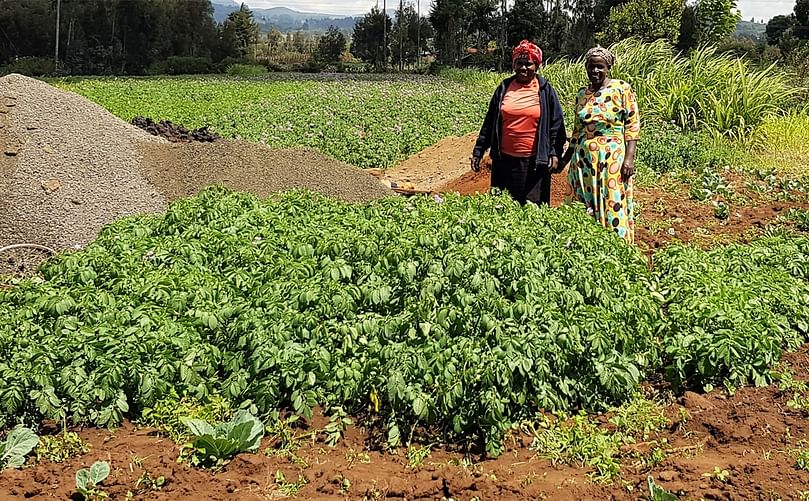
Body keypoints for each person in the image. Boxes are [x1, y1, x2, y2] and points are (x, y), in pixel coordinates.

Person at [471, 40, 566, 205]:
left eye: (528, 64)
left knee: (532, 208)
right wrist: (478, 151)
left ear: (536, 66)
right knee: (503, 206)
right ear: (514, 65)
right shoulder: (504, 88)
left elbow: (556, 124)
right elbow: (490, 122)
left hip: (535, 162)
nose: (523, 68)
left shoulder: (545, 90)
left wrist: (554, 152)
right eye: (519, 63)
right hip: (504, 161)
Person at [560, 46, 640, 243]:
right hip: (583, 159)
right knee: (582, 201)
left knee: (611, 198)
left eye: (600, 67)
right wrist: (565, 160)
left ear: (608, 67)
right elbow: (577, 130)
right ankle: (584, 243)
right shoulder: (582, 94)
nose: (595, 71)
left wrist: (629, 158)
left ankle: (616, 245)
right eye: (591, 67)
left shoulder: (621, 89)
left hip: (611, 157)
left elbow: (632, 124)